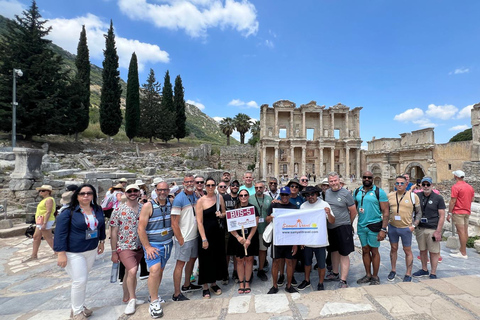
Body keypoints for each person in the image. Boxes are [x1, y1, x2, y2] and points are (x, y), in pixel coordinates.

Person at [54, 184, 106, 320]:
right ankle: (76, 312)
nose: (86, 196)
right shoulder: (68, 212)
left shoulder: (97, 209)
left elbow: (101, 226)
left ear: (93, 195)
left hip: (91, 249)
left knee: (82, 279)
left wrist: (102, 241)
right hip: (74, 251)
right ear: (76, 196)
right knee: (79, 281)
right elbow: (60, 233)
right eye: (82, 193)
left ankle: (79, 306)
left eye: (89, 193)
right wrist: (61, 253)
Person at [138, 181, 174, 318]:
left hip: (167, 244)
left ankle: (154, 295)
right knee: (154, 270)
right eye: (160, 190)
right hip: (154, 245)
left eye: (165, 190)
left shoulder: (171, 203)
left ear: (168, 190)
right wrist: (147, 247)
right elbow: (141, 228)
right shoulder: (148, 206)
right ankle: (153, 302)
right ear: (156, 190)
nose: (163, 192)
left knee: (160, 271)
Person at [110, 184, 144, 315]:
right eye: (130, 191)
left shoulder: (143, 208)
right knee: (133, 270)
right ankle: (132, 299)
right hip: (124, 246)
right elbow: (113, 232)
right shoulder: (118, 210)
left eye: (135, 191)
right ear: (126, 193)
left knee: (129, 273)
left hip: (139, 246)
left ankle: (126, 296)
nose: (133, 193)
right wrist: (114, 251)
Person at [353, 172, 389, 286]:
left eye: (369, 177)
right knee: (365, 250)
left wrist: (383, 229)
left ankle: (375, 276)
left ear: (372, 179)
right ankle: (368, 274)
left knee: (374, 251)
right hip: (361, 225)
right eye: (365, 177)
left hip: (374, 225)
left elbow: (386, 212)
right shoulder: (357, 191)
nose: (367, 179)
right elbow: (354, 208)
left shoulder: (379, 192)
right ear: (362, 178)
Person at [171, 174, 202, 301]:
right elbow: (174, 222)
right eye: (187, 182)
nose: (189, 184)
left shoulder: (195, 196)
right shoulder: (179, 199)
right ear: (183, 183)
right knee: (180, 264)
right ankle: (177, 294)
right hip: (184, 237)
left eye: (191, 181)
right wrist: (180, 239)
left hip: (194, 236)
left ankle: (187, 284)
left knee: (192, 261)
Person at [196, 177, 228, 298]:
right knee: (205, 260)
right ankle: (205, 286)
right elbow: (199, 221)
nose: (210, 187)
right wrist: (204, 238)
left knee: (216, 258)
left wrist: (221, 214)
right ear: (205, 186)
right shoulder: (201, 201)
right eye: (208, 185)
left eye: (212, 185)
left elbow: (224, 213)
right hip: (206, 233)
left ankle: (213, 283)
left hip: (217, 233)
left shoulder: (219, 198)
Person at [298, 186, 335, 291]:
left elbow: (332, 221)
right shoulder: (303, 206)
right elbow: (300, 223)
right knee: (307, 262)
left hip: (320, 240)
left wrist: (328, 213)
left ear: (317, 194)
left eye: (312, 195)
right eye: (307, 195)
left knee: (321, 263)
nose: (310, 197)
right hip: (307, 240)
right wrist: (301, 240)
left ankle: (320, 282)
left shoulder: (324, 205)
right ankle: (306, 280)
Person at [324, 172, 357, 288]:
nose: (333, 183)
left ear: (339, 181)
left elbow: (353, 211)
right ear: (328, 183)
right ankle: (335, 273)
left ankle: (343, 280)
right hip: (331, 226)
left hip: (343, 226)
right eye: (331, 181)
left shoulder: (345, 193)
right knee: (333, 251)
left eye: (335, 181)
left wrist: (349, 223)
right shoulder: (327, 193)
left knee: (344, 253)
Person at [387, 175, 422, 282]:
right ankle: (393, 270)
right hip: (393, 227)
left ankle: (408, 273)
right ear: (394, 184)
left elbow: (419, 212)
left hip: (406, 227)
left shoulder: (413, 196)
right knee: (393, 248)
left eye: (402, 183)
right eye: (397, 183)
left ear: (407, 184)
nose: (400, 185)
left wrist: (414, 226)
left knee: (407, 250)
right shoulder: (390, 196)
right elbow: (385, 211)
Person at [266, 186, 298, 294]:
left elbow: (296, 226)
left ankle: (289, 285)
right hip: (277, 238)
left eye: (286, 195)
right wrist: (271, 217)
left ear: (289, 195)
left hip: (289, 238)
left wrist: (295, 243)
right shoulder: (274, 205)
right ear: (280, 195)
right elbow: (267, 219)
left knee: (289, 262)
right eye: (283, 195)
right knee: (276, 262)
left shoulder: (294, 208)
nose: (284, 197)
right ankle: (274, 285)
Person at [412, 177, 445, 279]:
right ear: (421, 185)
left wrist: (438, 231)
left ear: (432, 185)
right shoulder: (417, 196)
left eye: (428, 185)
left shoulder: (438, 198)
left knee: (433, 251)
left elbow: (442, 215)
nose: (426, 186)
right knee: (422, 250)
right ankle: (424, 269)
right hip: (420, 227)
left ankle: (433, 272)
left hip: (432, 228)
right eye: (424, 184)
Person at [229, 189, 259, 294]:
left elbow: (255, 225)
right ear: (239, 196)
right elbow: (231, 226)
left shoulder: (253, 208)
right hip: (238, 238)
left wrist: (249, 238)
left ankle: (247, 282)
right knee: (240, 260)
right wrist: (238, 237)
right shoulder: (234, 209)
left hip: (250, 236)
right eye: (241, 195)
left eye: (245, 195)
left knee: (249, 259)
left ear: (248, 196)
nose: (243, 197)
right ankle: (241, 282)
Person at [23, 185, 56, 263]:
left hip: (45, 220)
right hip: (41, 221)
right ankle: (34, 255)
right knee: (36, 236)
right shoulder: (45, 199)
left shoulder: (49, 200)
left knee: (48, 237)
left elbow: (48, 211)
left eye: (43, 191)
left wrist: (44, 223)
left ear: (48, 192)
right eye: (40, 191)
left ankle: (57, 252)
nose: (41, 192)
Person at [448, 170, 475, 259]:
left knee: (461, 231)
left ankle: (463, 253)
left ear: (456, 176)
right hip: (467, 211)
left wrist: (449, 212)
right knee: (465, 231)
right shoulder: (469, 187)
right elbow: (472, 199)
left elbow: (453, 201)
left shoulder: (456, 187)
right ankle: (461, 249)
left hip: (458, 211)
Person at [249, 181, 272, 282]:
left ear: (264, 188)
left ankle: (261, 269)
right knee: (251, 252)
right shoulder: (250, 198)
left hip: (264, 228)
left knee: (263, 251)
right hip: (252, 229)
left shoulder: (268, 199)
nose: (259, 189)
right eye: (257, 188)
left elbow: (271, 211)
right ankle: (249, 272)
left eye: (260, 187)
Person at [223, 179, 240, 283]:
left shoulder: (241, 197)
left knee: (236, 252)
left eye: (236, 185)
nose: (234, 187)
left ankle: (235, 271)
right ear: (230, 187)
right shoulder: (224, 198)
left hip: (237, 228)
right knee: (226, 253)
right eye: (233, 185)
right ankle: (225, 273)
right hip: (226, 228)